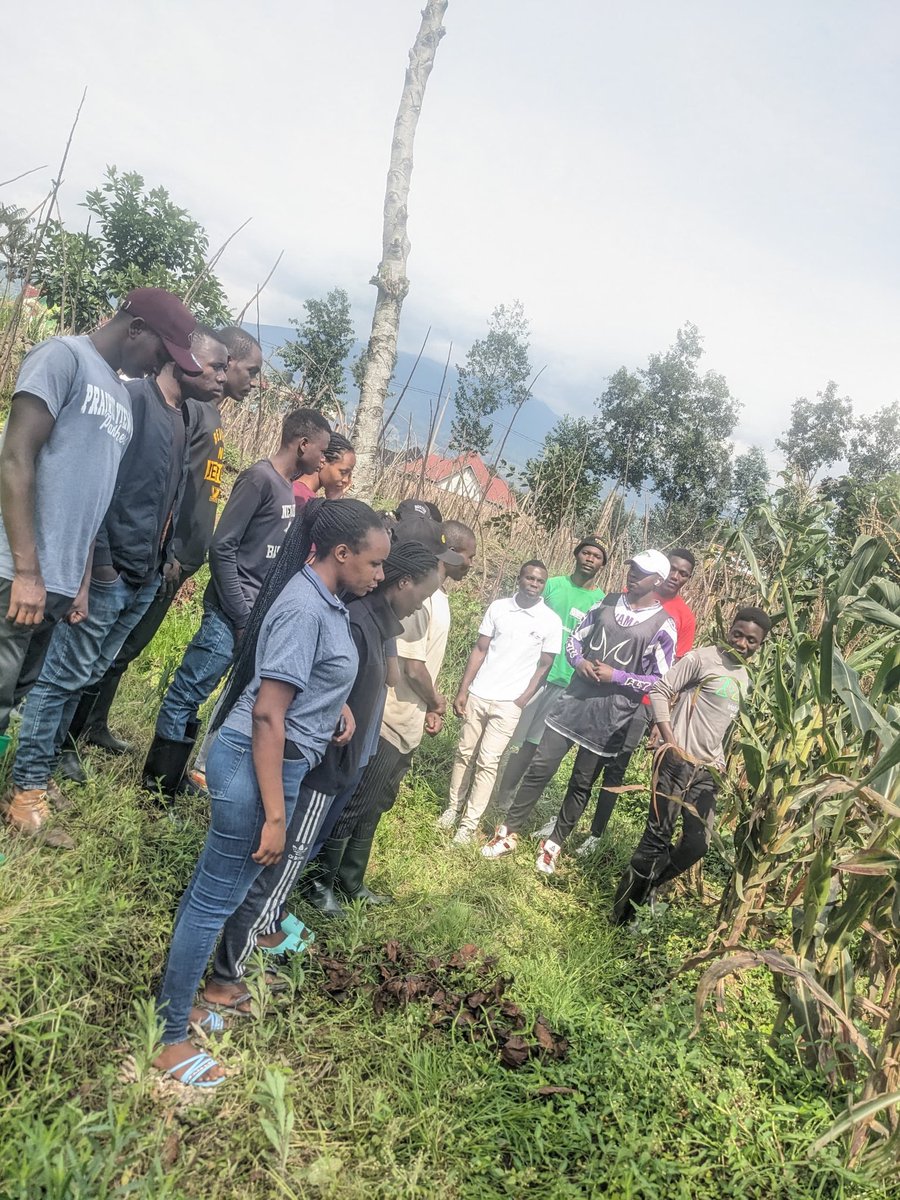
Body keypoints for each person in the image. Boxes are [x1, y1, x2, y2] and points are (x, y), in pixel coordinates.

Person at [151, 498, 390, 1088]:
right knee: (212, 901)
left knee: (218, 893)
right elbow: (265, 715)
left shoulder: (329, 600)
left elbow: (300, 686)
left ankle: (191, 1006)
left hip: (278, 760)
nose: (381, 574)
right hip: (257, 768)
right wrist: (277, 816)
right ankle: (169, 1036)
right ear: (341, 554)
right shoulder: (306, 609)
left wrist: (332, 712)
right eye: (375, 562)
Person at [200, 540, 441, 1013]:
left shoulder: (376, 625)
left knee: (286, 863)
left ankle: (250, 950)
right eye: (423, 593)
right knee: (278, 867)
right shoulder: (352, 622)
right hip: (319, 769)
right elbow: (311, 702)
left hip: (337, 768)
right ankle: (240, 962)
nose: (423, 604)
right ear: (403, 581)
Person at [8, 328, 227, 832]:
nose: (218, 376)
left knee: (82, 677)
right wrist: (101, 567)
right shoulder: (132, 401)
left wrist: (168, 557)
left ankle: (43, 773)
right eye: (213, 366)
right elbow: (99, 487)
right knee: (59, 678)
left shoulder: (185, 416)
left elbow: (170, 496)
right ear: (183, 359)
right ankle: (26, 791)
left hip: (145, 575)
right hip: (110, 573)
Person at [67, 327, 263, 755]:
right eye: (248, 370)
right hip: (155, 555)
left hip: (176, 558)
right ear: (226, 363)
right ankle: (71, 735)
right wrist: (170, 549)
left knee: (124, 649)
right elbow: (164, 483)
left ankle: (92, 724)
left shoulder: (210, 415)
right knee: (106, 649)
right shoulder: (186, 408)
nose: (252, 380)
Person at [143, 409, 331, 800]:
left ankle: (175, 777)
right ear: (303, 444)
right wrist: (243, 614)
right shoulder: (259, 479)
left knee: (209, 696)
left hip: (249, 619)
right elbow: (223, 546)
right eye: (323, 451)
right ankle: (157, 785)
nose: (324, 460)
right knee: (188, 692)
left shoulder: (288, 489)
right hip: (228, 616)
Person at [305, 516, 477, 915]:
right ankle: (319, 884)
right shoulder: (409, 595)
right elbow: (409, 667)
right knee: (353, 803)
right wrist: (436, 701)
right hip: (387, 718)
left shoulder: (432, 594)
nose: (454, 563)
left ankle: (349, 880)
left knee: (375, 803)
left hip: (407, 719)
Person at [482, 550, 677, 874]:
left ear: (656, 581)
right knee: (540, 767)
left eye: (641, 572)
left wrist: (617, 676)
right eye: (631, 568)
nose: (632, 575)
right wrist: (580, 662)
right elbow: (574, 640)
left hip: (609, 718)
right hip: (573, 701)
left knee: (582, 783)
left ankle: (554, 844)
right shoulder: (607, 602)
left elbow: (659, 680)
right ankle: (508, 832)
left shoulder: (663, 626)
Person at [612, 607, 771, 925]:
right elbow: (660, 690)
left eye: (751, 640)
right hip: (677, 761)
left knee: (698, 843)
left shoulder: (747, 677)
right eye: (737, 633)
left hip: (708, 770)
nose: (741, 643)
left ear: (760, 644)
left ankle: (649, 886)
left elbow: (725, 725)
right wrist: (670, 742)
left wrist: (723, 762)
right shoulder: (702, 658)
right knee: (657, 838)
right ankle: (622, 915)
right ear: (730, 629)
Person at [566, 546, 698, 856]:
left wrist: (660, 718)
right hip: (604, 693)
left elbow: (674, 672)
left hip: (644, 705)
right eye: (674, 569)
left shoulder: (683, 617)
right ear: (660, 571)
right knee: (585, 762)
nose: (677, 577)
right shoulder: (630, 594)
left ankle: (595, 834)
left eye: (684, 574)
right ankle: (565, 823)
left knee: (615, 768)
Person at [439, 561, 562, 845]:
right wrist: (464, 689)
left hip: (509, 703)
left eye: (539, 581)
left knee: (488, 761)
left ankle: (468, 825)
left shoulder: (550, 621)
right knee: (464, 753)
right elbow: (480, 648)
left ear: (544, 585)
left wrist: (522, 698)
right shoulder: (499, 608)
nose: (533, 584)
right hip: (480, 693)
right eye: (529, 578)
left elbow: (545, 666)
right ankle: (452, 808)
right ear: (519, 579)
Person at [491, 538, 606, 816]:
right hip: (533, 674)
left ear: (602, 564)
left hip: (566, 683)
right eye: (586, 553)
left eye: (597, 556)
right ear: (576, 555)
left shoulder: (601, 602)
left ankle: (504, 797)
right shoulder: (552, 585)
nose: (590, 559)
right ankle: (484, 783)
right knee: (505, 734)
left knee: (532, 745)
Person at [293, 432, 355, 503]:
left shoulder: (304, 495)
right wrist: (331, 504)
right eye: (343, 472)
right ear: (322, 460)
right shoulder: (300, 498)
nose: (346, 480)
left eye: (349, 475)